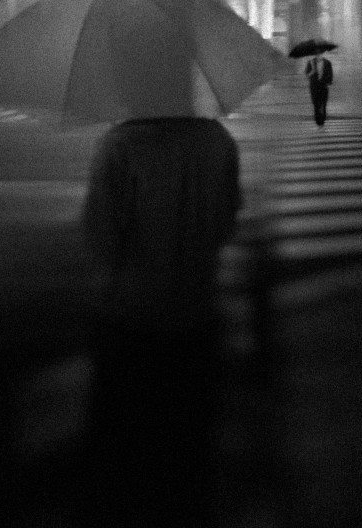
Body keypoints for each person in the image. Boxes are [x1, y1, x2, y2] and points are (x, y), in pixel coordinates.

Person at [80, 117, 242, 527]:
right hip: (196, 315)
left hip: (131, 321)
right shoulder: (217, 141)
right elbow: (226, 225)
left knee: (125, 458)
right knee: (189, 457)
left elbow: (101, 239)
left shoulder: (119, 146)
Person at [305, 52, 333, 125]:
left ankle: (323, 119)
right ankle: (318, 120)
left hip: (323, 86)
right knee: (316, 104)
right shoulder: (311, 62)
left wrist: (327, 81)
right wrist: (312, 71)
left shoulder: (327, 63)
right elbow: (307, 75)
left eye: (320, 54)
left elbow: (330, 74)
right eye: (317, 54)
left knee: (323, 103)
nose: (319, 55)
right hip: (314, 87)